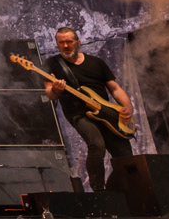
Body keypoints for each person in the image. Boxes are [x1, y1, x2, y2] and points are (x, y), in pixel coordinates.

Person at [43, 27, 135, 192]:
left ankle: (114, 191)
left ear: (78, 42)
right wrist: (56, 89)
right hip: (79, 114)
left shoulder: (96, 62)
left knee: (126, 158)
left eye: (69, 42)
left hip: (106, 113)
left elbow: (115, 89)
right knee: (97, 145)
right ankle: (98, 191)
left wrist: (127, 107)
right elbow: (50, 93)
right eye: (61, 43)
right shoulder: (52, 64)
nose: (65, 46)